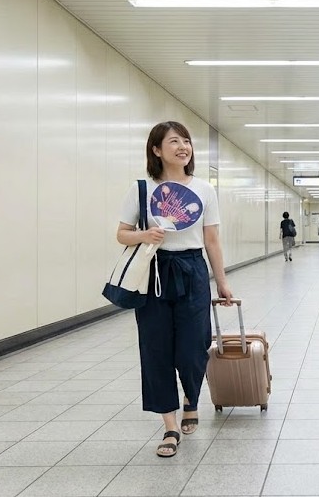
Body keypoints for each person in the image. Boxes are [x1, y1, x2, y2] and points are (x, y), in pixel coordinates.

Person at [116, 121, 234, 458]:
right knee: (156, 348)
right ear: (156, 149)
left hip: (193, 269)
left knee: (194, 347)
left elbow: (212, 238)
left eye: (186, 141)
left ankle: (191, 398)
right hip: (152, 272)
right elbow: (122, 233)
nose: (183, 147)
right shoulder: (142, 189)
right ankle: (169, 426)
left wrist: (222, 281)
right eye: (173, 141)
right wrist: (144, 235)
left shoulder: (203, 189)